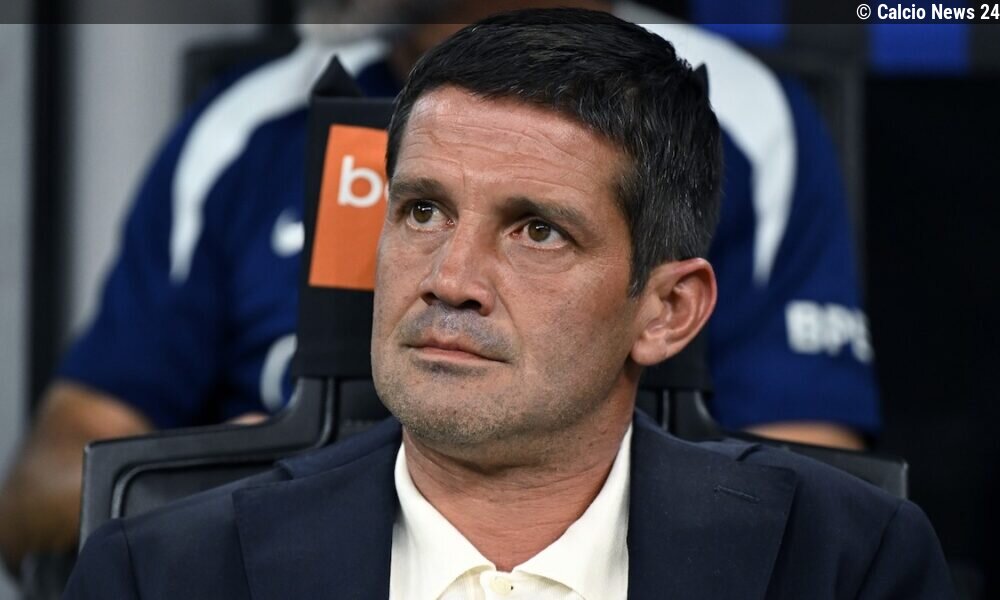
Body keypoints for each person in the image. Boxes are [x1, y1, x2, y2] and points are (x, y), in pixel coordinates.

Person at [62, 10, 951, 598]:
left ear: (668, 312)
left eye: (537, 232)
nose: (449, 278)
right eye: (422, 211)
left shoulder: (845, 566)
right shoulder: (157, 577)